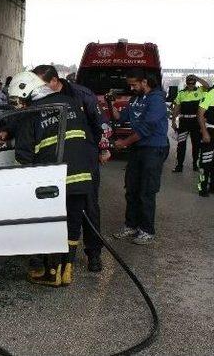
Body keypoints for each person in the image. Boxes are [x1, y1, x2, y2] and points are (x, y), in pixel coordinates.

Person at [5, 71, 95, 287]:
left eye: (19, 101)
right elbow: (87, 134)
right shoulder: (71, 103)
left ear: (26, 93)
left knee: (51, 225)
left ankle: (51, 272)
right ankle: (67, 271)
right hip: (81, 176)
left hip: (52, 182)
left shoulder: (32, 113)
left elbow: (23, 156)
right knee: (73, 224)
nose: (20, 105)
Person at [32, 65, 111, 272]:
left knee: (89, 207)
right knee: (56, 206)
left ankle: (94, 254)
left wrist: (103, 150)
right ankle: (60, 253)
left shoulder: (81, 95)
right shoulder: (38, 98)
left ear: (55, 81)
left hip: (84, 157)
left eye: (42, 84)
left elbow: (101, 124)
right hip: (54, 160)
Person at [111, 69, 169, 245]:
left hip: (153, 148)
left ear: (144, 82)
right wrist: (109, 105)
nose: (131, 87)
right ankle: (131, 225)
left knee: (146, 191)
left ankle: (147, 230)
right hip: (138, 148)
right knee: (132, 188)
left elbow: (146, 129)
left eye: (134, 84)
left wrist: (124, 142)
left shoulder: (157, 100)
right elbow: (121, 118)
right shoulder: (136, 99)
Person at [171, 75, 210, 172]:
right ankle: (179, 166)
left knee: (196, 144)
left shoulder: (200, 91)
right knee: (181, 144)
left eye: (193, 83)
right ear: (186, 83)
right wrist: (173, 121)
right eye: (189, 83)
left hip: (196, 122)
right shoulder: (181, 93)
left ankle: (195, 165)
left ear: (195, 82)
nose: (191, 85)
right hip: (184, 122)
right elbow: (177, 108)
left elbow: (207, 86)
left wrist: (196, 77)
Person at [197, 87, 214, 197]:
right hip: (211, 130)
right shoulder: (212, 92)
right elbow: (200, 113)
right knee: (206, 161)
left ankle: (212, 187)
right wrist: (204, 132)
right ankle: (202, 187)